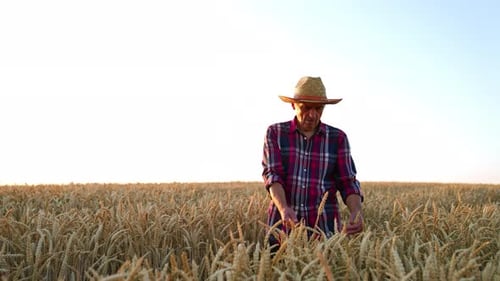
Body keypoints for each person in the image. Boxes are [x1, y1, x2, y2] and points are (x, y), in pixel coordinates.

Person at [261, 76, 363, 248]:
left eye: (319, 108)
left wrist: (356, 211)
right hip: (282, 230)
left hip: (324, 232)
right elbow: (273, 175)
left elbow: (348, 182)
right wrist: (284, 208)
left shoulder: (337, 138)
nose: (312, 114)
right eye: (306, 107)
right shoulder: (275, 133)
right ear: (293, 105)